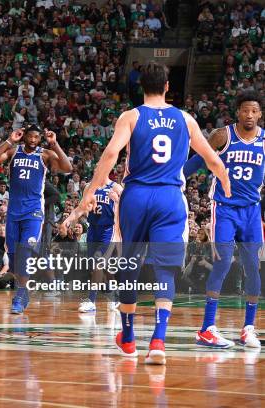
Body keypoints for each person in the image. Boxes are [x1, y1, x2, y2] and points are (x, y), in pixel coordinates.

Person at [74, 61, 230, 365]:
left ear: (140, 87)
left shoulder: (131, 116)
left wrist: (89, 193)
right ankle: (158, 339)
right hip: (170, 197)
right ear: (168, 87)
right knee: (165, 269)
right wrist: (224, 181)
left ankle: (129, 337)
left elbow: (109, 154)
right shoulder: (185, 119)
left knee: (129, 264)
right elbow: (211, 159)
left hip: (136, 196)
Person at [183, 90, 263, 349]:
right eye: (245, 110)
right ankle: (207, 328)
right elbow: (198, 159)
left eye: (254, 110)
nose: (249, 115)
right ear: (237, 112)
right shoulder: (223, 135)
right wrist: (176, 178)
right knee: (223, 262)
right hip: (225, 208)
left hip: (251, 211)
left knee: (253, 267)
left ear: (260, 114)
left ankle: (248, 328)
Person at [0, 123, 72, 314]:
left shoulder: (45, 154)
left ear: (40, 138)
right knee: (15, 259)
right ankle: (23, 291)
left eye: (36, 137)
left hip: (33, 211)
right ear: (24, 136)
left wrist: (55, 144)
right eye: (30, 137)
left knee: (25, 251)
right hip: (14, 212)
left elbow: (67, 168)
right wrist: (9, 140)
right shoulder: (13, 152)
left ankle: (19, 294)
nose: (33, 140)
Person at [63, 178, 123, 313]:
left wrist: (118, 201)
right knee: (98, 268)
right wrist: (69, 221)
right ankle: (114, 293)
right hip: (93, 230)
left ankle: (91, 301)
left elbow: (129, 209)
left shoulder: (116, 188)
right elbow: (81, 207)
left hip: (109, 230)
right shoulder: (89, 186)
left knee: (98, 264)